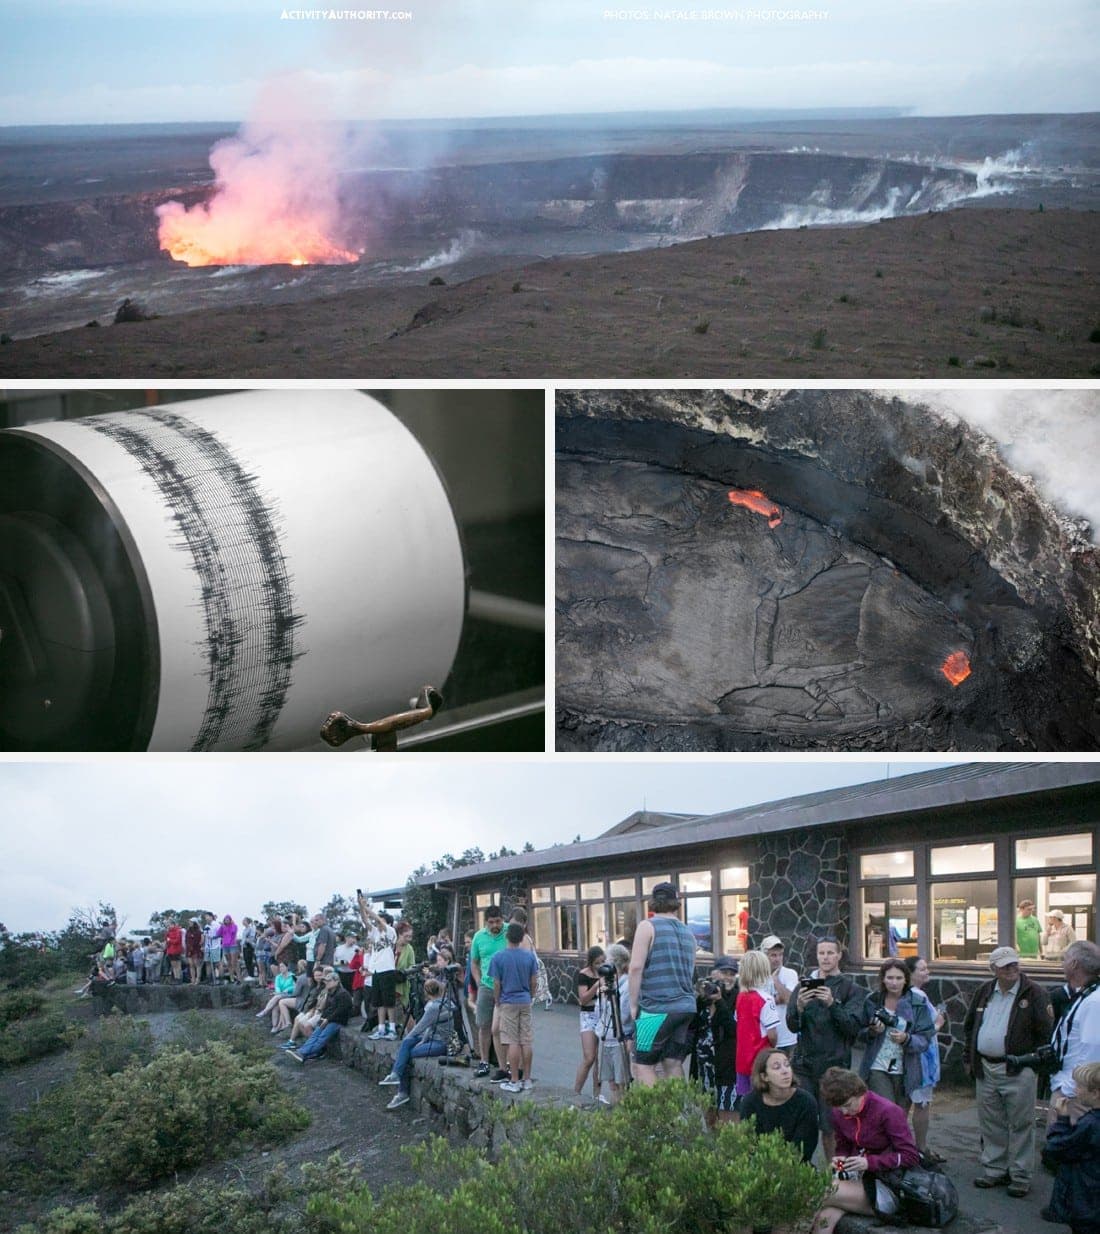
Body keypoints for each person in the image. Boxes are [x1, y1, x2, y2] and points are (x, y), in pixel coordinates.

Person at [963, 945, 1054, 1197]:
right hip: (986, 1067)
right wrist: (968, 1058)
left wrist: (1033, 1064)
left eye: (1014, 963)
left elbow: (1046, 1033)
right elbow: (970, 1027)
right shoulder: (984, 992)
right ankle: (994, 1169)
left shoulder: (1035, 993)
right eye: (1005, 966)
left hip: (1019, 1069)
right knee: (991, 1122)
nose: (1012, 969)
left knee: (1022, 1124)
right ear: (993, 969)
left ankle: (1021, 1175)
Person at [813, 1067, 920, 1234]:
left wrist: (869, 1163)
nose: (844, 1112)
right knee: (824, 1219)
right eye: (839, 1108)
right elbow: (843, 1145)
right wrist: (840, 1161)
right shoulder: (839, 1112)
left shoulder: (888, 1111)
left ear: (859, 1092)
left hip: (888, 1184)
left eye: (848, 1105)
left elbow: (911, 1156)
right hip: (857, 1179)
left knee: (818, 1191)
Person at [785, 936, 865, 1161]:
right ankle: (801, 1171)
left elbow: (852, 1028)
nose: (826, 958)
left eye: (830, 953)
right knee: (803, 1122)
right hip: (804, 1065)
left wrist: (832, 1004)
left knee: (831, 1127)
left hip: (834, 1067)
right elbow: (792, 1026)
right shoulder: (803, 986)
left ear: (839, 955)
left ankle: (835, 1174)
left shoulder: (851, 989)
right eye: (821, 953)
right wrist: (799, 1008)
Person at [628, 882, 698, 1086]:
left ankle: (656, 1107)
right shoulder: (688, 933)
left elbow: (635, 967)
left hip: (654, 1008)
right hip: (685, 1007)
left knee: (643, 1064)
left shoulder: (647, 926)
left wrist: (633, 1005)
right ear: (677, 902)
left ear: (653, 902)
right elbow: (690, 971)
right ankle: (678, 1105)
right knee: (673, 1063)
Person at [858, 958, 935, 1110]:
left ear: (906, 979)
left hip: (906, 1067)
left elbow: (925, 1038)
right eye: (890, 978)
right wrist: (872, 1031)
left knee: (899, 1115)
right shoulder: (872, 1001)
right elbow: (859, 1033)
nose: (894, 983)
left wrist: (906, 1038)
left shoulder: (917, 1002)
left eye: (899, 978)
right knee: (887, 1109)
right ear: (883, 979)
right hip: (878, 1064)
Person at [1041, 1061, 1100, 1234]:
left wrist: (1062, 1120)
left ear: (1095, 1093)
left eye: (1079, 1086)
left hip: (1086, 1199)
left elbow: (1057, 1148)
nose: (1075, 1090)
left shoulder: (1090, 1124)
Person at [380, 977, 454, 1109]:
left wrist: (409, 1039)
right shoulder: (446, 1002)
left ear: (426, 992)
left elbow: (420, 1027)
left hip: (440, 1043)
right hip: (431, 1037)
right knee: (406, 1044)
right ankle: (395, 1076)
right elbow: (428, 1028)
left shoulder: (433, 1007)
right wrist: (414, 1041)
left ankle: (402, 1091)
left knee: (406, 1052)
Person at [735, 1047, 820, 1163]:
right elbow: (749, 1144)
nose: (785, 1071)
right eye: (777, 1067)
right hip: (760, 1166)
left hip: (797, 1168)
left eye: (787, 1065)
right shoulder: (750, 1103)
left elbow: (805, 1149)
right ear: (764, 1076)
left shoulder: (806, 1102)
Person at [1049, 940, 1100, 1127]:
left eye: (1065, 959)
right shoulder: (1086, 995)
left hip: (1076, 1097)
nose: (1062, 964)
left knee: (1064, 1141)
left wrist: (1069, 1090)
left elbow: (1093, 1051)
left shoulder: (1094, 1001)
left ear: (1074, 964)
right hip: (1072, 1089)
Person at [903, 955, 946, 1162]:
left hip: (915, 1054)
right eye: (922, 969)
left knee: (906, 1102)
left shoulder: (908, 995)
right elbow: (927, 1028)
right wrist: (938, 1023)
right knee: (920, 1103)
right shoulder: (917, 996)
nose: (926, 972)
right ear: (910, 973)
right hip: (922, 1057)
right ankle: (920, 1147)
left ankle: (905, 1146)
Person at [489, 922, 540, 1093]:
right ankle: (527, 1078)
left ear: (507, 936)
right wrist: (531, 996)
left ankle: (515, 1080)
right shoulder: (529, 957)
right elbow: (534, 981)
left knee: (512, 1041)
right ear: (521, 938)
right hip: (524, 1000)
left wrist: (498, 1000)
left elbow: (497, 983)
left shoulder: (498, 957)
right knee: (526, 1040)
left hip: (508, 1001)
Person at [690, 957, 736, 1121]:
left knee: (726, 1109)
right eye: (724, 972)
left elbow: (733, 1029)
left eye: (731, 974)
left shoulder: (735, 996)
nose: (727, 977)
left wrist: (720, 1001)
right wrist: (701, 1000)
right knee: (707, 1106)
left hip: (725, 1063)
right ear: (713, 973)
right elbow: (691, 1026)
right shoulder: (703, 998)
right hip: (703, 1062)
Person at [735, 950, 781, 1099]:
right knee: (764, 1101)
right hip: (760, 1060)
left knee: (745, 1101)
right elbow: (772, 1034)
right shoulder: (766, 999)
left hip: (742, 1060)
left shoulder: (741, 997)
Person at [469, 904, 508, 1079]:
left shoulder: (509, 932)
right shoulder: (478, 937)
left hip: (507, 987)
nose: (495, 925)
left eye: (498, 921)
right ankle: (484, 1061)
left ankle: (506, 1064)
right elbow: (474, 962)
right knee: (483, 1025)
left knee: (504, 1027)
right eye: (491, 922)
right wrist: (479, 982)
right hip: (486, 985)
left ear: (502, 919)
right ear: (485, 922)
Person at [596, 944, 635, 1108]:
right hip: (606, 1037)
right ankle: (615, 1114)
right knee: (612, 1084)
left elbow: (624, 1016)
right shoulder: (607, 985)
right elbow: (599, 1013)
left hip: (620, 1038)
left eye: (607, 961)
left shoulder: (627, 985)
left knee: (621, 1084)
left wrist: (610, 996)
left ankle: (623, 1114)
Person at [289, 969, 353, 1063]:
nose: (326, 983)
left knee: (322, 1037)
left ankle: (303, 1053)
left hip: (338, 1021)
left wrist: (327, 1020)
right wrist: (323, 1018)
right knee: (315, 1034)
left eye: (329, 981)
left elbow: (340, 1011)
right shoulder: (330, 992)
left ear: (336, 981)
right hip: (328, 1019)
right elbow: (327, 1008)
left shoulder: (343, 994)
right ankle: (302, 1052)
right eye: (326, 981)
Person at [358, 895, 399, 1039]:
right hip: (376, 971)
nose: (377, 922)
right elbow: (366, 920)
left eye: (381, 920)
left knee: (389, 1002)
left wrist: (366, 907)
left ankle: (392, 1029)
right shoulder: (375, 934)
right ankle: (381, 1029)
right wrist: (361, 906)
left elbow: (378, 920)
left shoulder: (391, 932)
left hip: (387, 970)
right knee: (379, 1002)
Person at [574, 945, 605, 1101]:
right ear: (591, 963)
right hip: (588, 1015)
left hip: (603, 1015)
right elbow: (583, 999)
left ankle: (597, 1094)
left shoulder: (607, 974)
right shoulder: (583, 975)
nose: (600, 966)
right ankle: (575, 1093)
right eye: (597, 963)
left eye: (603, 962)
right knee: (589, 1057)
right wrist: (597, 985)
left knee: (599, 1059)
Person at [761, 934, 799, 1055]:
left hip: (787, 1039)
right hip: (763, 1038)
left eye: (780, 955)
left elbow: (790, 999)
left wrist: (775, 980)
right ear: (764, 956)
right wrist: (777, 999)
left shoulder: (790, 974)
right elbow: (757, 1003)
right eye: (773, 955)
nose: (777, 959)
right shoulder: (757, 976)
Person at [257, 961, 297, 1031]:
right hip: (281, 994)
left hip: (290, 994)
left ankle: (265, 1011)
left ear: (287, 967)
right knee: (275, 1007)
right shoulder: (278, 977)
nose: (281, 968)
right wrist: (279, 992)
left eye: (283, 966)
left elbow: (295, 986)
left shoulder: (292, 975)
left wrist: (287, 990)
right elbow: (277, 986)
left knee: (277, 997)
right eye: (280, 967)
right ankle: (275, 1026)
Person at [164, 918, 184, 984]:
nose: (168, 926)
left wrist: (170, 940)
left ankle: (179, 978)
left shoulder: (178, 931)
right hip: (170, 950)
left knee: (177, 964)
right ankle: (176, 978)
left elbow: (177, 941)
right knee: (173, 965)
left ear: (173, 924)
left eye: (169, 925)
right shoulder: (169, 932)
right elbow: (166, 940)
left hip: (176, 950)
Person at [184, 918, 203, 985]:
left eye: (191, 922)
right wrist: (188, 947)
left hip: (196, 949)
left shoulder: (198, 931)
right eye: (189, 922)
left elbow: (199, 941)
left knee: (197, 965)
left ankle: (198, 979)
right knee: (191, 965)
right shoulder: (188, 931)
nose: (190, 923)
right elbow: (186, 940)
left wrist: (195, 946)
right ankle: (193, 980)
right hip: (189, 949)